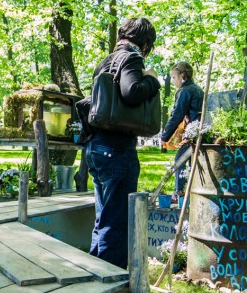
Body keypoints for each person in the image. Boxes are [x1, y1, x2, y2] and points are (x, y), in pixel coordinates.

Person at [86, 18, 161, 272]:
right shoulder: (131, 58)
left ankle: (96, 269)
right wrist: (152, 79)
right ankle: (111, 277)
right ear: (146, 42)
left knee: (104, 215)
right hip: (117, 149)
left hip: (97, 146)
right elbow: (131, 92)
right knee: (116, 218)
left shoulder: (105, 61)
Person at [161, 62, 204, 202]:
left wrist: (165, 136)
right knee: (192, 163)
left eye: (174, 77)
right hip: (200, 130)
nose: (173, 81)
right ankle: (191, 192)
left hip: (192, 133)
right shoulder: (197, 89)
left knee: (179, 160)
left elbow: (177, 114)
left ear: (183, 76)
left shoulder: (185, 91)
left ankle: (178, 193)